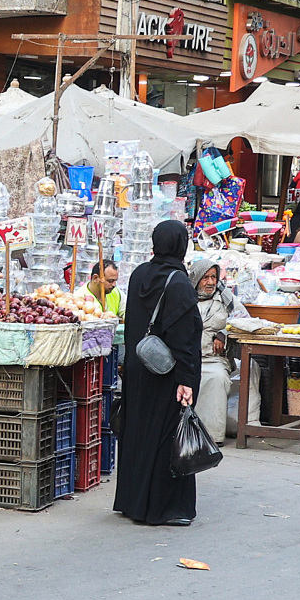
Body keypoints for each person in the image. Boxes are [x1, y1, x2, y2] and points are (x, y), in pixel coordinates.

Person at [112, 221, 203, 527]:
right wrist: (187, 381)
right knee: (166, 437)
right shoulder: (179, 283)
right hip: (167, 373)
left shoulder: (139, 274)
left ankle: (132, 501)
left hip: (139, 369)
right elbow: (185, 339)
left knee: (137, 432)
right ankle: (164, 508)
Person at [193, 259, 244, 443]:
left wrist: (224, 333)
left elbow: (243, 319)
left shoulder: (224, 298)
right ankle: (189, 433)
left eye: (213, 277)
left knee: (216, 378)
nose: (211, 282)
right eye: (205, 277)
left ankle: (213, 437)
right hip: (190, 358)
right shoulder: (185, 298)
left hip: (215, 359)